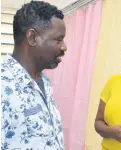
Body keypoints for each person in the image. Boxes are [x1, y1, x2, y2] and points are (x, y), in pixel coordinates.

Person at [1, 1, 67, 150]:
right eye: (59, 39)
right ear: (32, 37)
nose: (64, 46)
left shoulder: (45, 82)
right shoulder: (3, 86)